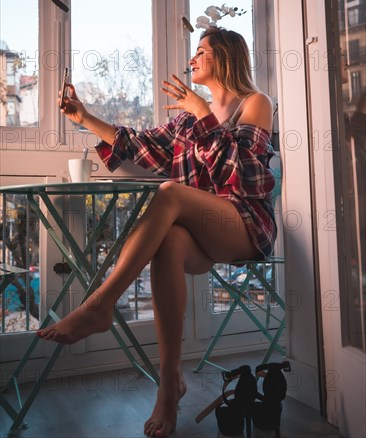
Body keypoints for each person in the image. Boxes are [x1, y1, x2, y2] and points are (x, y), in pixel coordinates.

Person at [37, 28, 277, 437]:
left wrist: (203, 113)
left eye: (201, 51)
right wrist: (85, 117)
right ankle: (170, 381)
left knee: (168, 192)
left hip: (243, 226)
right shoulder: (186, 119)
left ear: (225, 57)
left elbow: (247, 178)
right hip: (200, 235)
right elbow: (137, 145)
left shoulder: (254, 103)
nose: (193, 58)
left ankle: (99, 305)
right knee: (168, 239)